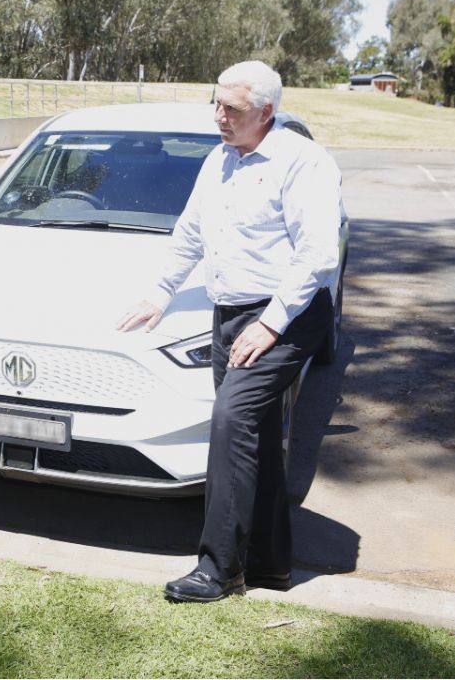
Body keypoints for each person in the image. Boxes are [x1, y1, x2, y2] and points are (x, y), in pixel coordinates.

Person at [115, 60, 342, 603]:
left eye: (232, 109)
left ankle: (219, 569)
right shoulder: (219, 160)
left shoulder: (301, 162)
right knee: (257, 438)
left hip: (284, 317)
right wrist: (160, 293)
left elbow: (318, 255)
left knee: (231, 420)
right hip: (230, 316)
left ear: (266, 111)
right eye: (214, 103)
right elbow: (190, 233)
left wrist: (268, 324)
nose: (219, 116)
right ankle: (271, 564)